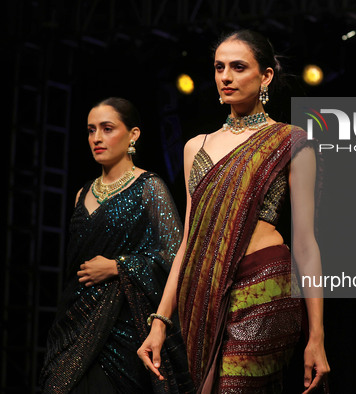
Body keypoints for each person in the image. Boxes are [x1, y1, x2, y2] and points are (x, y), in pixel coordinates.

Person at [137, 30, 330, 393]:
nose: (226, 77)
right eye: (219, 67)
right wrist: (160, 321)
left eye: (238, 67)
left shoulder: (292, 140)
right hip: (204, 294)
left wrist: (316, 337)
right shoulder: (197, 146)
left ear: (266, 76)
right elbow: (188, 243)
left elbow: (306, 243)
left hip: (266, 287)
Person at [41, 97, 194, 393]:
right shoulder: (81, 194)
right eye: (91, 130)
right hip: (72, 324)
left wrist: (118, 266)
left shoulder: (149, 188)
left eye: (107, 128)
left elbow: (175, 257)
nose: (96, 138)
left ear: (133, 134)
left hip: (123, 331)